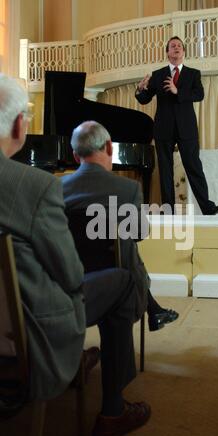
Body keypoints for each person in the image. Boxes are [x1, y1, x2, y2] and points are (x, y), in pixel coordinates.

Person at [0, 74, 150, 436]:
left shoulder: (59, 187)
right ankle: (112, 409)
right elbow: (69, 276)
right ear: (20, 124)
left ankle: (83, 366)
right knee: (123, 278)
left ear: (72, 153)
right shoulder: (37, 187)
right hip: (31, 325)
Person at [61, 120, 179, 332]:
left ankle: (155, 311)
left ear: (75, 156)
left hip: (69, 282)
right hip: (122, 287)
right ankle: (152, 312)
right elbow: (141, 232)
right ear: (109, 147)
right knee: (125, 243)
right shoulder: (127, 189)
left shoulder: (56, 189)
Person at [135, 36, 218, 216]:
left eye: (179, 46)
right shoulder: (158, 74)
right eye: (172, 46)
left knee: (194, 167)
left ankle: (207, 207)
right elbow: (144, 100)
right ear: (168, 53)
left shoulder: (193, 74)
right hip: (163, 128)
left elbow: (199, 95)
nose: (176, 48)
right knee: (165, 169)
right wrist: (140, 89)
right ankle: (168, 211)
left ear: (183, 52)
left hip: (187, 128)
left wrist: (178, 91)